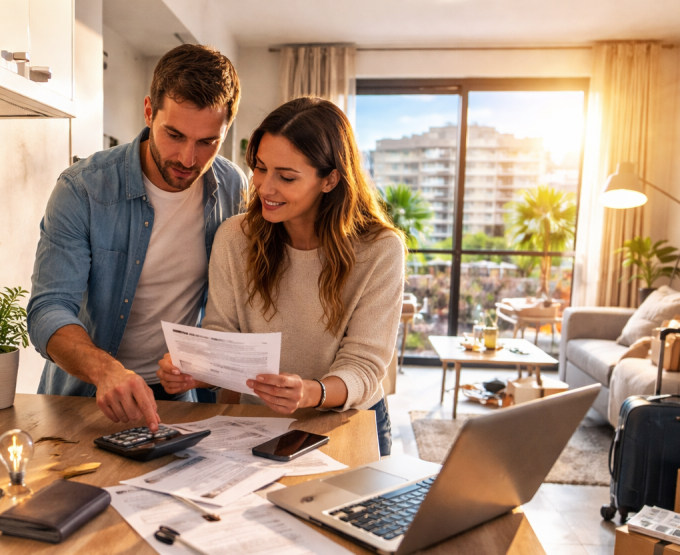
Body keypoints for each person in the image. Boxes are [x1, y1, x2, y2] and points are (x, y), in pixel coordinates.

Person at [157, 97, 405, 455]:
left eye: (286, 176)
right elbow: (222, 332)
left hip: (347, 419)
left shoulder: (379, 249)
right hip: (255, 422)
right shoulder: (234, 237)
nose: (264, 187)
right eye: (260, 168)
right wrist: (196, 369)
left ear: (330, 179)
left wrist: (310, 392)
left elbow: (365, 366)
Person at [27, 44, 246, 433]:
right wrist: (107, 370)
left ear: (226, 130)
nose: (187, 159)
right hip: (87, 396)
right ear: (149, 111)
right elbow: (48, 309)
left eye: (207, 142)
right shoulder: (83, 189)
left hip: (179, 402)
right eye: (174, 134)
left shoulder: (231, 187)